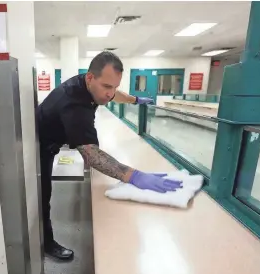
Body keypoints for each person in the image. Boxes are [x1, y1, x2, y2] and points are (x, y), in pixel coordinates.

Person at [35, 51, 182, 261]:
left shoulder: (90, 86)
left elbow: (114, 93)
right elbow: (92, 156)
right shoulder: (74, 104)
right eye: (106, 86)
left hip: (52, 140)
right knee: (42, 197)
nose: (110, 93)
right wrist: (135, 176)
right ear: (90, 78)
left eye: (114, 86)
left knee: (43, 195)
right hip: (38, 147)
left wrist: (134, 100)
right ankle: (46, 243)